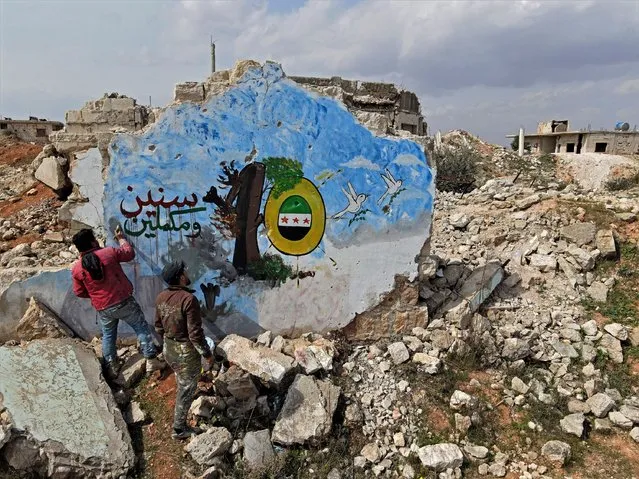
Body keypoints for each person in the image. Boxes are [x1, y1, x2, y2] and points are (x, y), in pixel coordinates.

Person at [71, 227, 163, 379]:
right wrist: (121, 238)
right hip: (123, 301)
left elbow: (79, 292)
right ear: (93, 241)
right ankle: (151, 359)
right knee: (141, 327)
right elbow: (129, 253)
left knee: (108, 335)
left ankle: (112, 366)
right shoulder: (108, 253)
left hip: (103, 307)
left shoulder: (77, 269)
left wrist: (95, 295)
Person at [155, 260, 214, 440]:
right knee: (186, 390)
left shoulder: (161, 297)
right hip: (184, 353)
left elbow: (158, 327)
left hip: (168, 348)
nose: (187, 274)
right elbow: (195, 335)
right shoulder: (188, 299)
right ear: (181, 277)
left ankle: (186, 386)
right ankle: (179, 429)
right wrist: (207, 355)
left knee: (183, 381)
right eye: (185, 272)